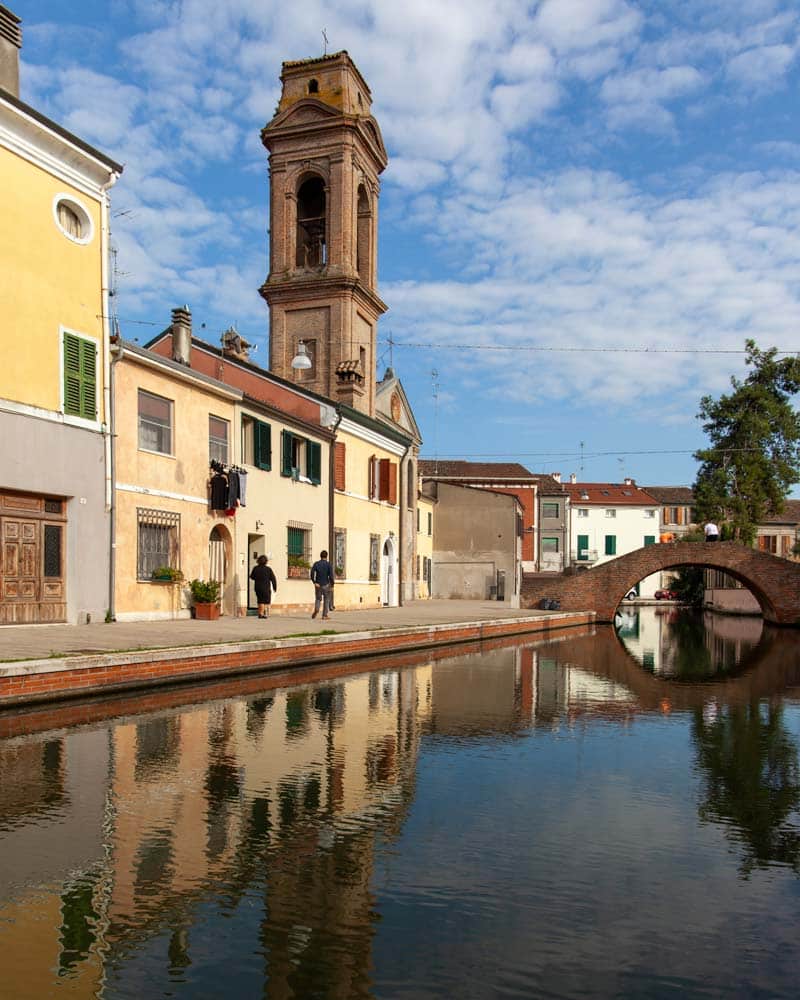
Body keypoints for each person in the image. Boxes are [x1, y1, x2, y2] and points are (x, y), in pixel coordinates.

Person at [310, 549, 334, 619]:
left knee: (318, 599)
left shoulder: (316, 564)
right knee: (326, 600)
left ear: (320, 556)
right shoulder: (328, 564)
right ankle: (324, 615)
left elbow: (312, 573)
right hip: (326, 585)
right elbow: (331, 576)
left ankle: (316, 610)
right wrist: (332, 585)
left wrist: (314, 582)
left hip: (318, 585)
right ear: (326, 556)